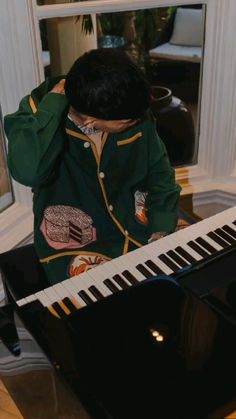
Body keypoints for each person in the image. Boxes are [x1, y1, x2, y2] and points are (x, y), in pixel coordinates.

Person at [4, 48, 181, 285]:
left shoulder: (127, 104)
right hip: (77, 246)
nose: (138, 122)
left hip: (140, 224)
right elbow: (28, 171)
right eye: (127, 123)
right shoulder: (36, 112)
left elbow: (160, 173)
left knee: (194, 278)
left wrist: (161, 229)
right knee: (107, 313)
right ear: (90, 121)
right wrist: (55, 105)